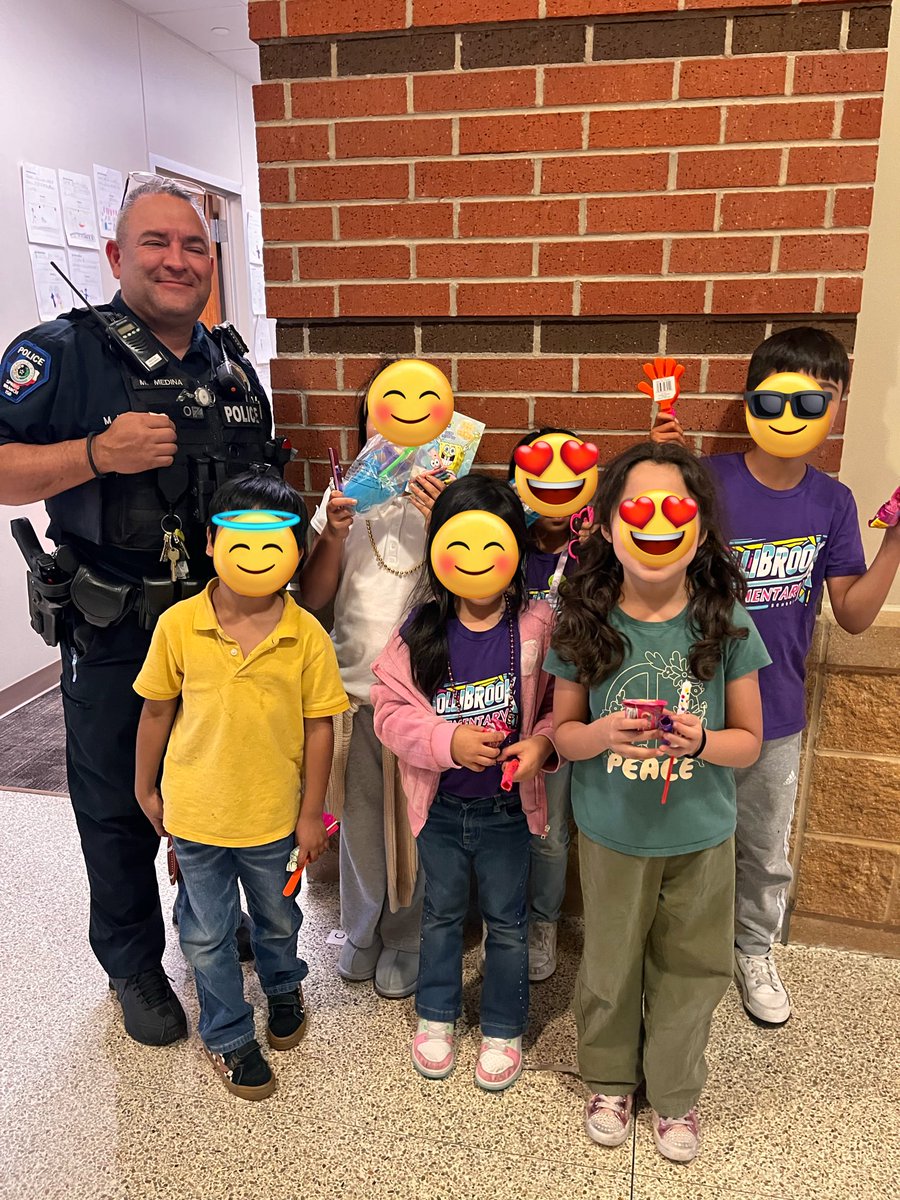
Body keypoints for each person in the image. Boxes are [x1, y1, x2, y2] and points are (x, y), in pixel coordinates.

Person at [0, 176, 286, 1045]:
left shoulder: (229, 364)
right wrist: (95, 452)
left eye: (194, 245)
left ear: (211, 262)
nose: (177, 259)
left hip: (222, 626)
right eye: (156, 243)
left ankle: (218, 915)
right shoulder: (58, 352)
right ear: (117, 257)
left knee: (222, 784)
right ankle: (131, 965)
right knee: (119, 806)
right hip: (116, 628)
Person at [652, 328, 900, 1026]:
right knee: (679, 839)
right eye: (777, 398)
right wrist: (666, 474)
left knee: (762, 846)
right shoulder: (709, 480)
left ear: (837, 405)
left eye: (816, 399)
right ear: (751, 399)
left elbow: (851, 613)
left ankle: (753, 947)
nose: (793, 415)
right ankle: (672, 949)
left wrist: (896, 541)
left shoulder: (832, 502)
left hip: (778, 711)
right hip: (693, 703)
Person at [546, 441, 769, 1161]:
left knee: (693, 969)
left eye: (676, 508)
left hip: (701, 834)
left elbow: (750, 742)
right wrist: (602, 732)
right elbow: (565, 736)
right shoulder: (584, 617)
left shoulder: (723, 616)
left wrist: (703, 742)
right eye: (638, 508)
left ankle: (674, 1094)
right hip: (613, 831)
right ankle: (610, 1077)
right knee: (610, 962)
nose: (657, 523)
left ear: (699, 527)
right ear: (609, 525)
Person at [133, 472, 348, 1099]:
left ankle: (283, 987)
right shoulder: (178, 625)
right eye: (241, 540)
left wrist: (314, 813)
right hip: (197, 817)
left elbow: (319, 729)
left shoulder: (306, 634)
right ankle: (228, 1035)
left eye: (274, 542)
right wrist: (145, 788)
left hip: (276, 818)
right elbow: (154, 711)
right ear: (211, 543)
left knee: (278, 918)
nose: (256, 557)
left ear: (295, 552)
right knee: (206, 933)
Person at [371, 475, 558, 1092]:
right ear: (437, 550)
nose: (477, 563)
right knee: (442, 914)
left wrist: (543, 744)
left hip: (507, 811)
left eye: (492, 546)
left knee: (507, 922)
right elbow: (390, 713)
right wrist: (447, 743)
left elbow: (563, 708)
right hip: (442, 811)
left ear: (517, 551)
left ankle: (504, 1026)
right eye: (462, 546)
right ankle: (437, 1015)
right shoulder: (420, 628)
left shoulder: (537, 625)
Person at [301, 374, 447, 1000]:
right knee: (360, 819)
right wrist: (333, 530)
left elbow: (471, 588)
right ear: (366, 427)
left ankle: (409, 934)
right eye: (386, 412)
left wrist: (445, 519)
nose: (404, 422)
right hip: (354, 692)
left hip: (424, 699)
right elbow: (312, 598)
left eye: (424, 408)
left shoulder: (452, 499)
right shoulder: (344, 500)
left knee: (418, 823)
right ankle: (362, 929)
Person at [506, 428, 581, 981]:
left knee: (550, 832)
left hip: (563, 714)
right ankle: (500, 917)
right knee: (496, 821)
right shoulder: (503, 543)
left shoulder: (597, 550)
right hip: (499, 707)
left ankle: (542, 920)